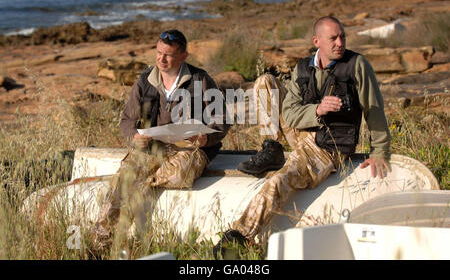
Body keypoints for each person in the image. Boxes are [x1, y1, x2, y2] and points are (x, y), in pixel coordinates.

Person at [213, 16, 391, 258]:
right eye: (333, 38)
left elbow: (374, 108)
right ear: (317, 41)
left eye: (342, 37)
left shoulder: (357, 65)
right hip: (304, 132)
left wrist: (379, 151)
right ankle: (272, 148)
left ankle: (239, 237)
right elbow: (289, 113)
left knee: (277, 182)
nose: (340, 43)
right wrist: (317, 110)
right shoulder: (303, 68)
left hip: (328, 148)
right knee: (265, 82)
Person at [91, 29, 230, 250]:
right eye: (158, 53)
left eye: (168, 55)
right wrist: (134, 137)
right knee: (125, 175)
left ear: (184, 55)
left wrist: (205, 138)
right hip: (152, 148)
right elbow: (127, 120)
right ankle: (101, 240)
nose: (161, 59)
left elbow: (222, 118)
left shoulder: (200, 79)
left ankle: (144, 187)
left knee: (180, 174)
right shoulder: (145, 81)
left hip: (189, 149)